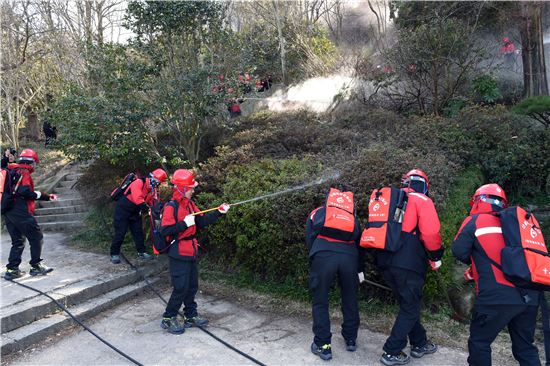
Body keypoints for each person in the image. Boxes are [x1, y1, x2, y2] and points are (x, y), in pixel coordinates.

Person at [452, 184, 541, 365]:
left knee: (480, 342)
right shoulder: (519, 225)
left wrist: (478, 261)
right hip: (531, 295)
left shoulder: (475, 221)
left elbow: (459, 251)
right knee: (525, 348)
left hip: (497, 297)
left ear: (477, 201)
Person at [376, 169, 444, 366]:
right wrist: (436, 256)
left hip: (385, 261)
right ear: (425, 186)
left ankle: (419, 343)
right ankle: (392, 351)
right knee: (411, 307)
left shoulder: (393, 201)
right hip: (407, 263)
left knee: (409, 305)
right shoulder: (422, 200)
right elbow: (431, 234)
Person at [159, 169, 230, 334]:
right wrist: (184, 224)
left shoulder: (190, 204)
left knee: (192, 286)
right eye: (190, 188)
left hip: (191, 250)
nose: (193, 190)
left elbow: (201, 221)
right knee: (180, 287)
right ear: (182, 189)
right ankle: (168, 317)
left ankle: (190, 315)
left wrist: (218, 212)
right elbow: (165, 231)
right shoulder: (171, 207)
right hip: (178, 252)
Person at [306, 188, 363, 361]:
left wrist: (314, 257)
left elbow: (310, 238)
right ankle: (351, 339)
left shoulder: (317, 213)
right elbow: (359, 244)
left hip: (323, 254)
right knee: (350, 298)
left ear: (328, 201)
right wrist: (360, 269)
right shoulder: (352, 218)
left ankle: (323, 345)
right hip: (350, 257)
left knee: (320, 300)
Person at [2, 149, 56, 280]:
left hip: (7, 209)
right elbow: (25, 192)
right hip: (19, 210)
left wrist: (44, 196)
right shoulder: (24, 172)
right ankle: (36, 266)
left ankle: (12, 269)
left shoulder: (11, 170)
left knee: (18, 240)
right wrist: (45, 196)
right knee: (36, 237)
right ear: (31, 163)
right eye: (35, 163)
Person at [109, 168, 168, 264]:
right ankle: (114, 254)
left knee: (138, 233)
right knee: (120, 233)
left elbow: (153, 202)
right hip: (122, 210)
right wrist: (145, 206)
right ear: (152, 178)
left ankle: (142, 252)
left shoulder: (152, 190)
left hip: (135, 212)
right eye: (156, 181)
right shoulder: (139, 182)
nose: (157, 184)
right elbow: (137, 198)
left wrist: (158, 208)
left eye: (158, 183)